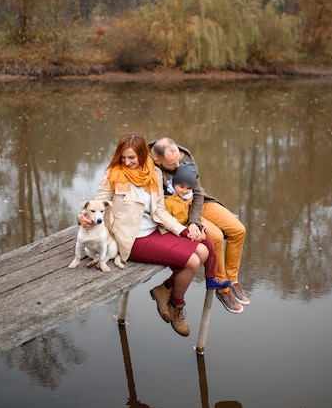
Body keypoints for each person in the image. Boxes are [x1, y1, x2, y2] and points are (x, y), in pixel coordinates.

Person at [77, 132, 210, 337]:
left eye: (131, 157)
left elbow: (159, 211)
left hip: (155, 230)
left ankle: (163, 290)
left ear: (141, 154)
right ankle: (177, 306)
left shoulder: (153, 174)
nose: (127, 162)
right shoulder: (113, 175)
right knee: (192, 262)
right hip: (133, 238)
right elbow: (97, 203)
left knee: (202, 250)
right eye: (123, 157)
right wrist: (82, 217)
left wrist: (184, 231)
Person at [148, 137, 250, 314]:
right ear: (158, 160)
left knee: (238, 230)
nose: (179, 166)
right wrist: (191, 222)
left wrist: (195, 221)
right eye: (173, 163)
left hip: (197, 203)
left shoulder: (184, 156)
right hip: (176, 211)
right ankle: (222, 287)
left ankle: (232, 280)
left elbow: (197, 192)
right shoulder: (149, 167)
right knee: (216, 236)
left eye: (178, 160)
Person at [164, 160, 230, 290]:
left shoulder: (187, 196)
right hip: (173, 231)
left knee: (210, 243)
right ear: (174, 183)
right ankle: (170, 283)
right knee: (197, 250)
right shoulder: (168, 199)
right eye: (181, 187)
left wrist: (199, 223)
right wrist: (187, 231)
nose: (184, 191)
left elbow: (188, 212)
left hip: (186, 227)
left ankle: (211, 278)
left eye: (188, 188)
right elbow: (168, 221)